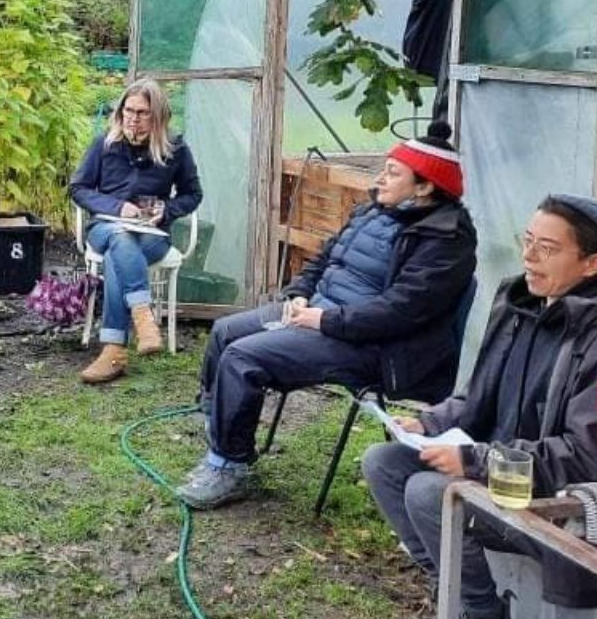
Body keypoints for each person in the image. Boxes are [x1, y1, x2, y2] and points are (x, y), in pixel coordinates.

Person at [364, 195, 597, 619]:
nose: (529, 256)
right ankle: (459, 608)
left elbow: (586, 459)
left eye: (548, 248)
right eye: (528, 240)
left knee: (426, 491)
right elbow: (479, 397)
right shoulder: (523, 306)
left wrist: (474, 461)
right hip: (506, 476)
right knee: (385, 463)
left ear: (593, 264)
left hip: (560, 505)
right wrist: (430, 422)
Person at [177, 122, 476, 511]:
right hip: (322, 314)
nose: (380, 177)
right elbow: (322, 259)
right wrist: (298, 296)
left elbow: (401, 311)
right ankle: (219, 424)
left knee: (243, 357)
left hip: (374, 346)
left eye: (393, 172)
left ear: (424, 187)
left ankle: (229, 466)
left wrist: (324, 320)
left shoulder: (446, 240)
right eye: (383, 167)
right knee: (224, 331)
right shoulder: (372, 212)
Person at [69, 77, 203, 381]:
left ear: (158, 116)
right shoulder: (105, 144)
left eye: (142, 113)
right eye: (128, 110)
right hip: (105, 226)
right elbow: (78, 188)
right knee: (119, 238)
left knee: (122, 251)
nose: (133, 118)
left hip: (151, 235)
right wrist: (117, 208)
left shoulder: (175, 149)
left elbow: (192, 194)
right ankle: (143, 316)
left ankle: (114, 350)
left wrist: (166, 210)